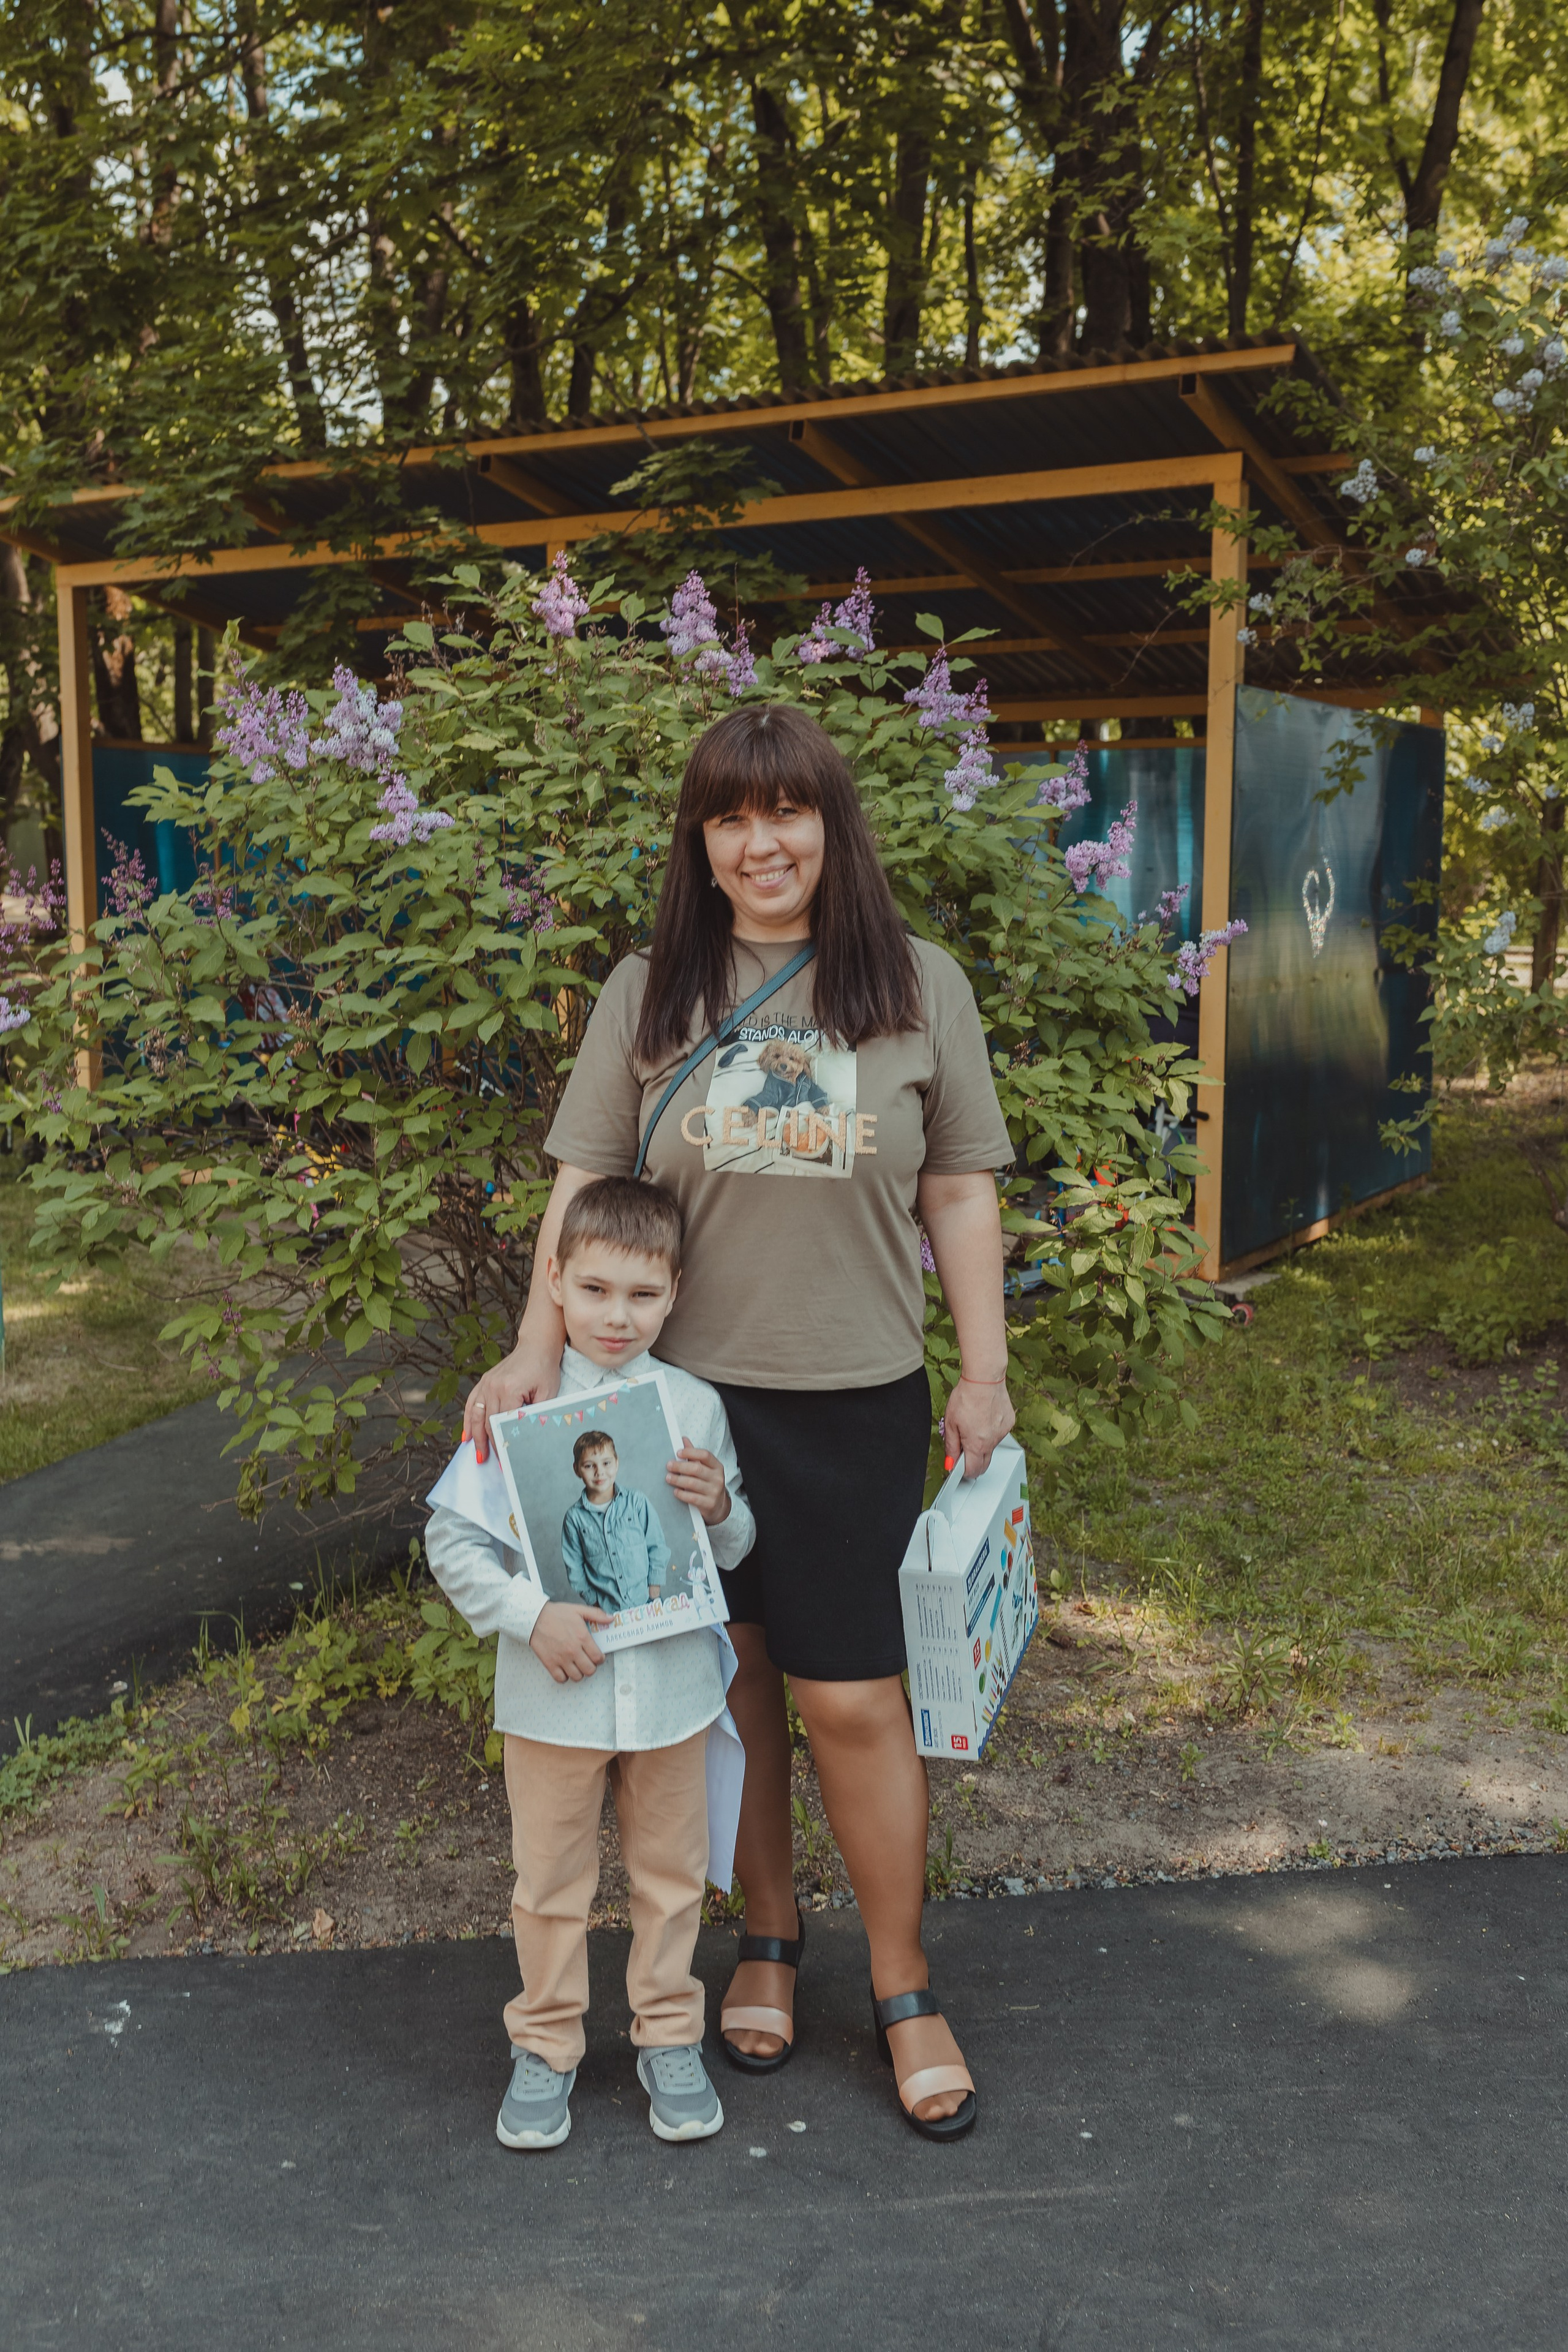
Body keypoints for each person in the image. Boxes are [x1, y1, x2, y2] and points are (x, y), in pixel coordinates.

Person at [465, 703, 1016, 2143]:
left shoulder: (913, 984)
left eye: (786, 811)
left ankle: (901, 1984)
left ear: (831, 827)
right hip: (670, 1408)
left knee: (849, 1694)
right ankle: (765, 1936)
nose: (760, 840)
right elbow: (583, 1184)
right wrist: (534, 1352)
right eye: (729, 815)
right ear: (700, 841)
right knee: (733, 1686)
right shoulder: (653, 987)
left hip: (850, 1396)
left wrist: (982, 1369)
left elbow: (958, 1186)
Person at [426, 1175, 755, 2152]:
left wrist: (720, 1507)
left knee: (671, 1876)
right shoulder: (518, 1401)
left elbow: (731, 1551)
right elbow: (454, 1545)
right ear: (556, 1282)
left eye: (644, 1296)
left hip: (670, 1699)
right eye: (598, 1290)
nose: (619, 1316)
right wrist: (529, 1617)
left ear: (676, 1293)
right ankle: (547, 2043)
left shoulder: (692, 1406)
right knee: (550, 1881)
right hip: (551, 1701)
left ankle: (668, 2037)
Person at [561, 1432, 671, 1614]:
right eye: (589, 1466)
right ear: (577, 1469)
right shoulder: (574, 1518)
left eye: (606, 1463)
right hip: (607, 1610)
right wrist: (593, 1601)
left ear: (617, 1462)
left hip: (647, 1600)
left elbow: (656, 1545)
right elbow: (574, 1565)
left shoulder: (636, 1502)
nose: (599, 1472)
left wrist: (654, 1589)